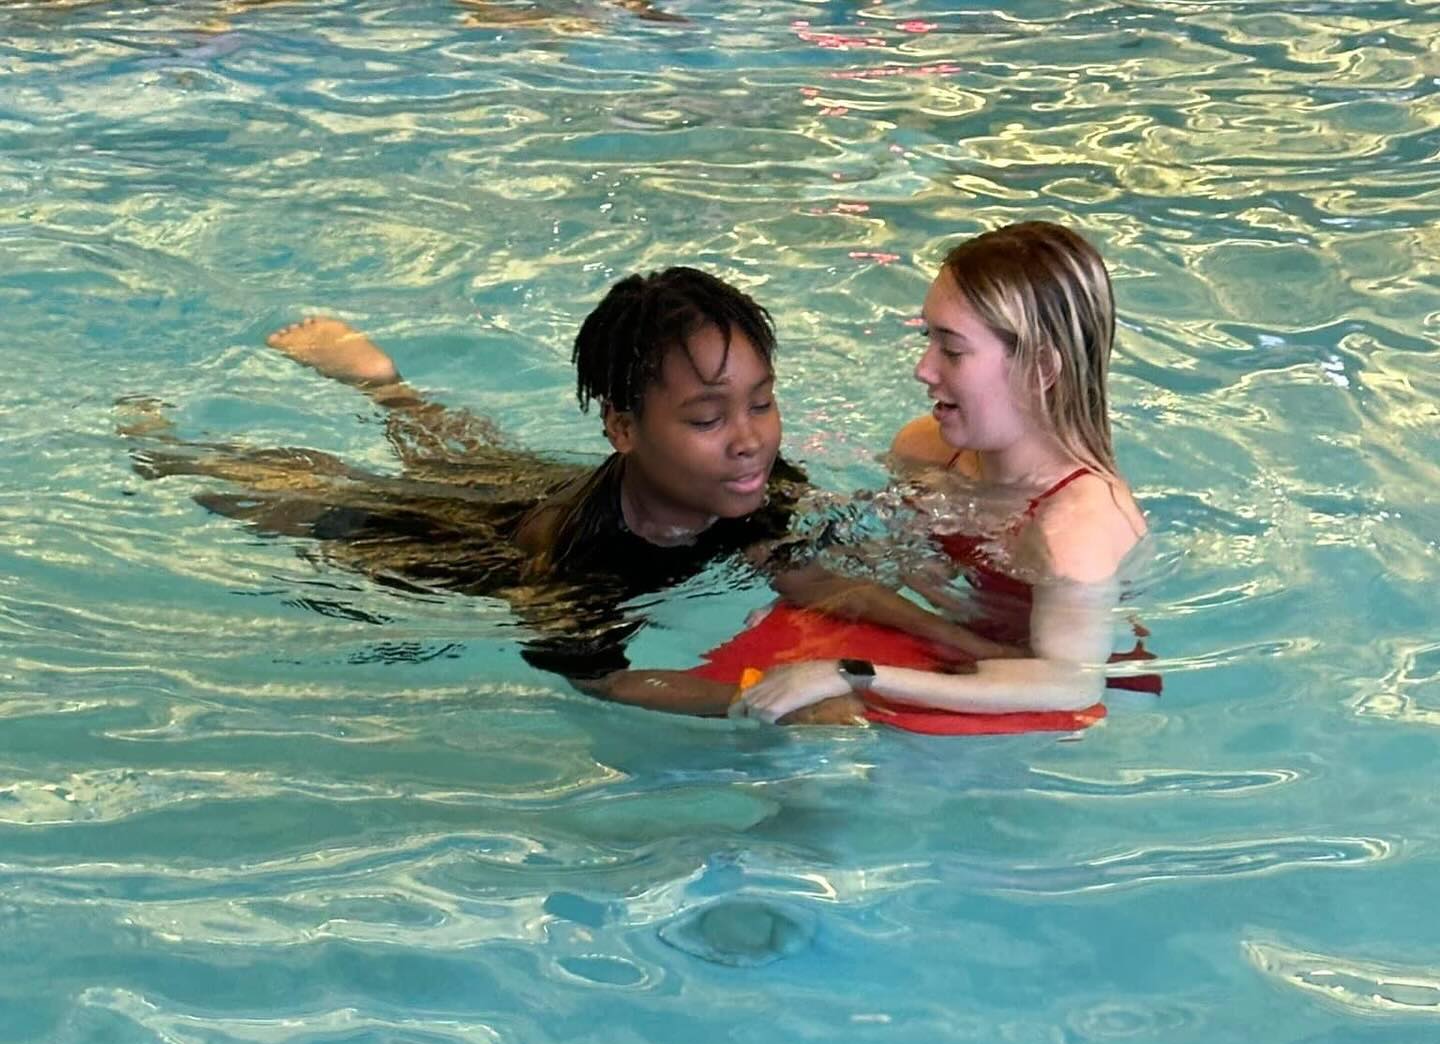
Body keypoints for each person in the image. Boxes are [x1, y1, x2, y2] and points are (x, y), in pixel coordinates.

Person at [131, 267, 977, 721]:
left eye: (761, 403)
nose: (750, 436)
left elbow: (809, 576)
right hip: (466, 548)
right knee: (326, 501)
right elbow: (605, 684)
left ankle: (391, 392)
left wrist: (958, 634)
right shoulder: (580, 565)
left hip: (545, 490)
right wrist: (763, 702)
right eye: (708, 417)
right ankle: (168, 445)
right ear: (623, 425)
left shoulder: (750, 481)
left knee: (479, 459)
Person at [733, 221, 1151, 726]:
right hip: (964, 648)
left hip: (1064, 701)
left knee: (826, 762)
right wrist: (822, 603)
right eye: (929, 339)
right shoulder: (926, 451)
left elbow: (1071, 685)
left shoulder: (1075, 531)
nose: (924, 369)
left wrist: (849, 670)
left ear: (1042, 368)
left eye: (951, 350)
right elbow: (884, 555)